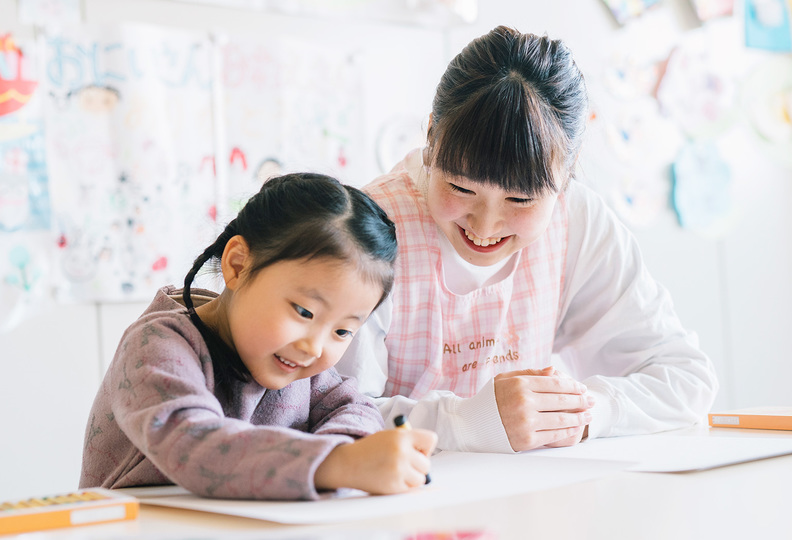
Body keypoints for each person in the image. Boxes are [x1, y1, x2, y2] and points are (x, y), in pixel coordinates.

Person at [335, 25, 718, 454]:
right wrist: (466, 423)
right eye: (461, 188)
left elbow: (685, 378)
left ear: (567, 175)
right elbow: (328, 413)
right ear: (430, 139)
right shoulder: (364, 230)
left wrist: (578, 413)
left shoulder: (578, 220)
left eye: (520, 199)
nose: (484, 226)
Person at [79, 172, 437, 500]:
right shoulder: (157, 347)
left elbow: (355, 408)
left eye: (342, 330)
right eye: (303, 312)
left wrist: (352, 451)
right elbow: (196, 446)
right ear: (237, 265)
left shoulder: (301, 367)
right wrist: (339, 463)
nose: (314, 346)